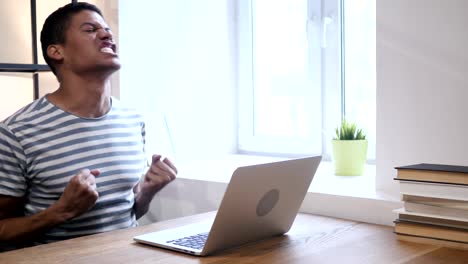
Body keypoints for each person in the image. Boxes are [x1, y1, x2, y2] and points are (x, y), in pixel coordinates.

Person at [0, 2, 177, 250]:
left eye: (107, 30)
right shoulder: (16, 132)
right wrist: (61, 212)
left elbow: (126, 214)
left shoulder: (132, 120)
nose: (107, 35)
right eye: (90, 29)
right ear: (56, 52)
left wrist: (146, 192)